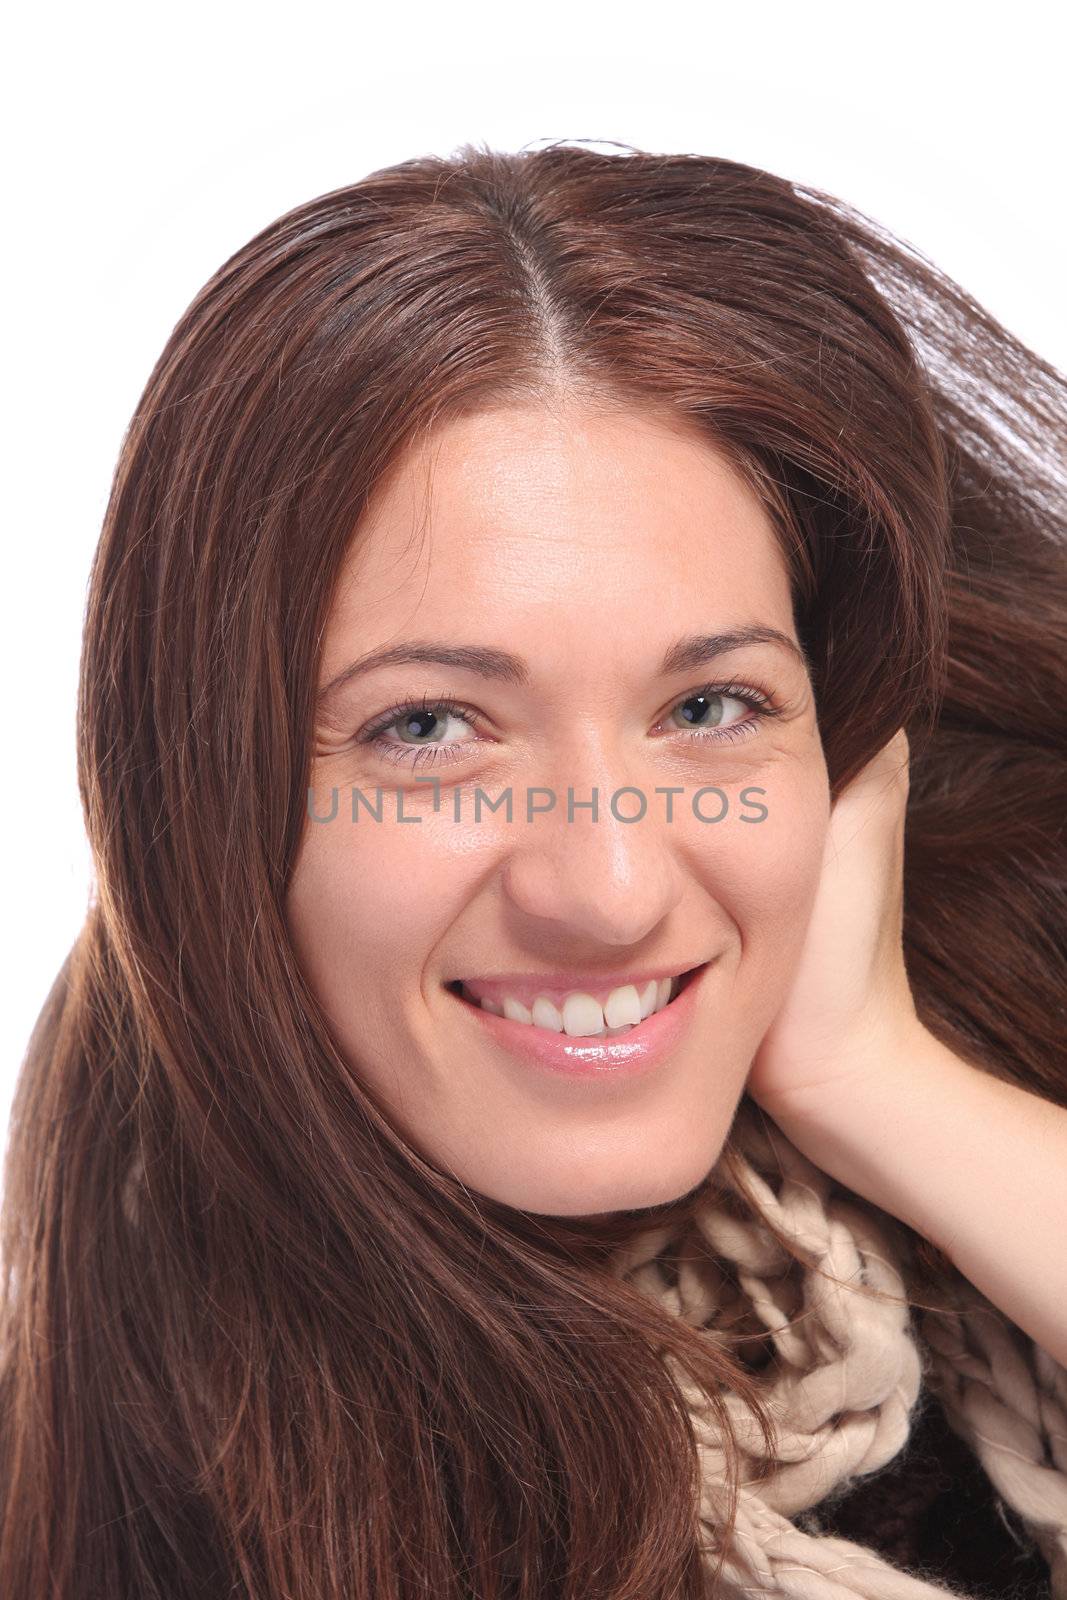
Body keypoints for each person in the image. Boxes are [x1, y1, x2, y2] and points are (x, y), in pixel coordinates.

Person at [2, 139, 1064, 1599]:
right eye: (431, 728)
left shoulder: (1021, 958)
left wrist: (881, 1079)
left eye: (710, 708)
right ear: (201, 794)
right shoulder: (104, 1424)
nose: (611, 886)